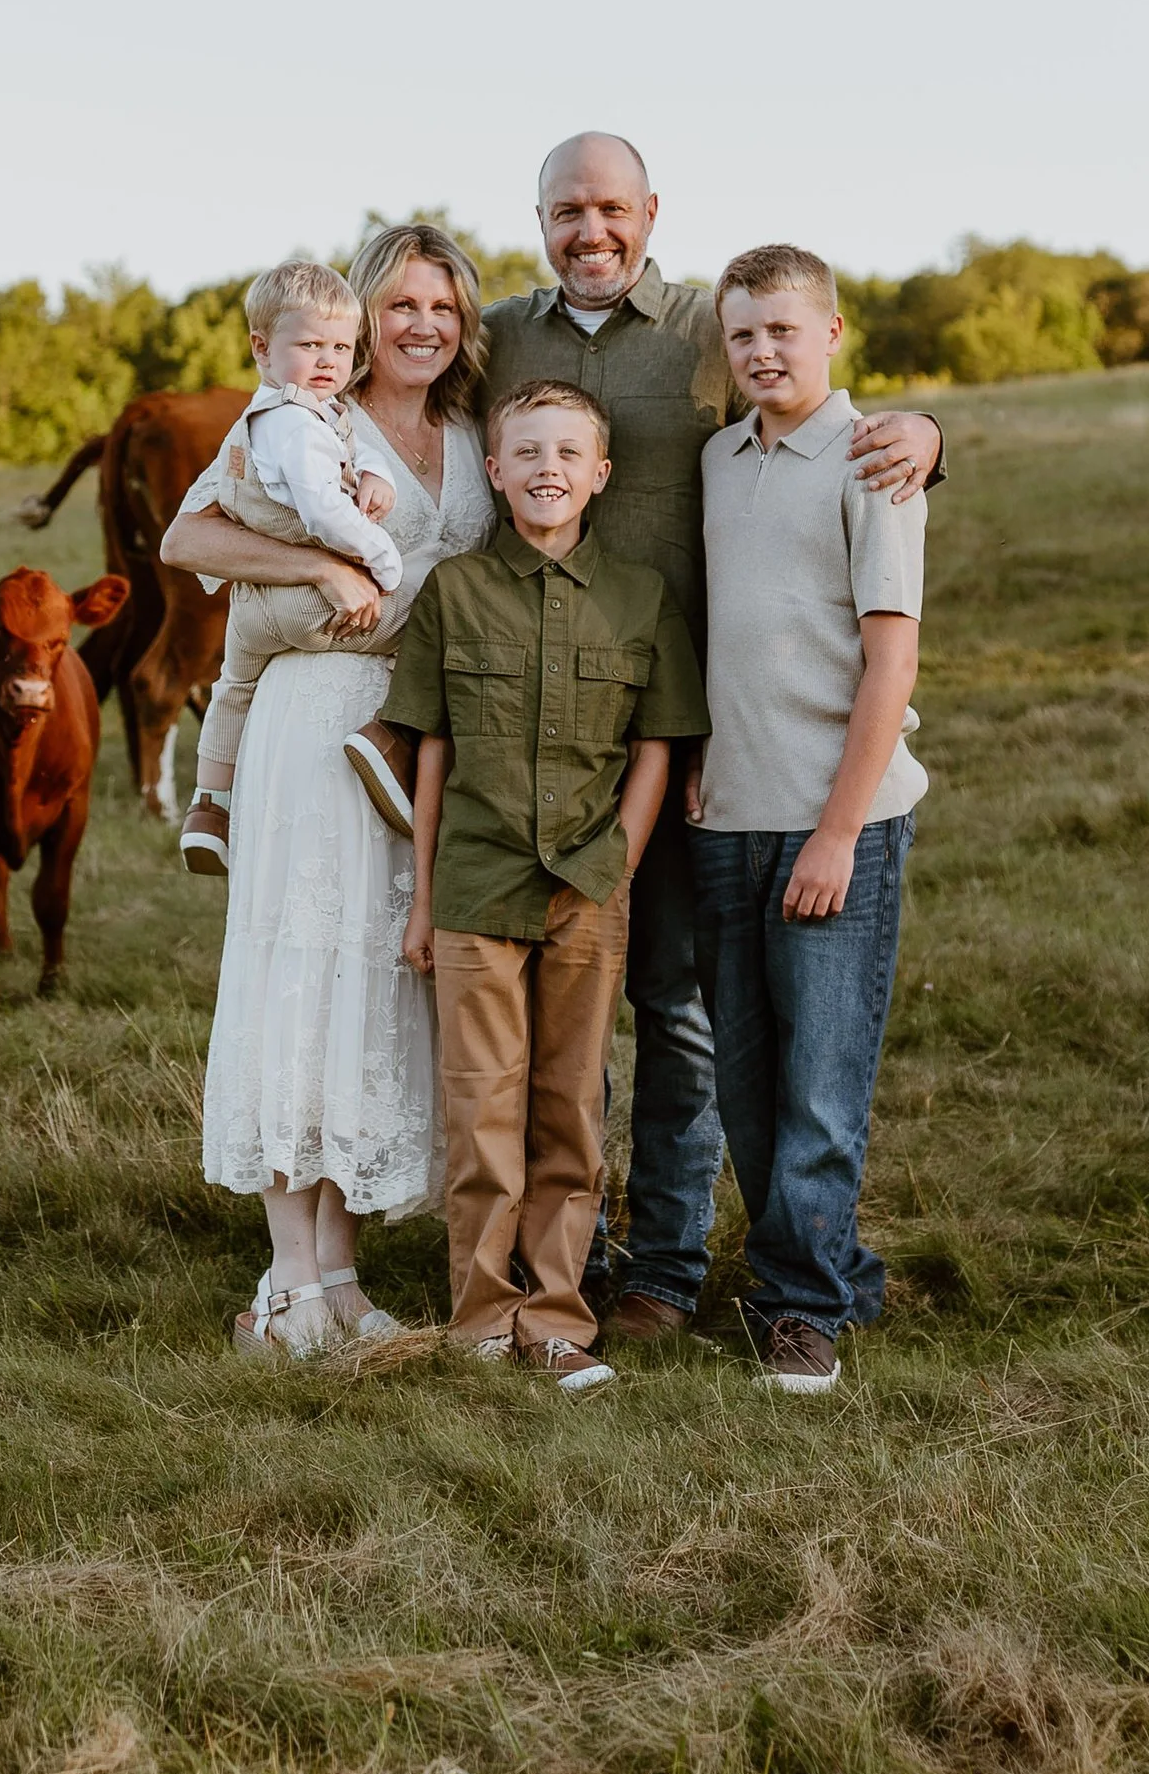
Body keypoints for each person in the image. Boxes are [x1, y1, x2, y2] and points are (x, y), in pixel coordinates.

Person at [170, 134, 942, 1343]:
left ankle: (666, 1268)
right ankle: (454, 1272)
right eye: (565, 210)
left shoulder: (703, 327)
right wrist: (317, 559)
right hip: (492, 728)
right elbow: (230, 508)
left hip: (674, 718)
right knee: (434, 995)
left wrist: (929, 435)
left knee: (672, 1008)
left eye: (610, 209)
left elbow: (802, 384)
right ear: (538, 220)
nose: (590, 231)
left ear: (648, 214)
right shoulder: (494, 347)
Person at [180, 223, 494, 1355]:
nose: (421, 326)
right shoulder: (306, 416)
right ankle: (287, 1285)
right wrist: (318, 562)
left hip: (414, 734)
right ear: (364, 316)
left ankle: (343, 1278)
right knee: (298, 973)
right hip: (314, 713)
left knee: (371, 984)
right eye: (401, 305)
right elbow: (186, 533)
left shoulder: (469, 432)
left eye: (443, 309)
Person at [388, 381, 709, 1390]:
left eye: (568, 454)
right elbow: (430, 751)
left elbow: (658, 745)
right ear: (495, 470)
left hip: (587, 891)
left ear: (600, 474)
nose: (547, 472)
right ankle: (482, 1318)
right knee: (480, 1110)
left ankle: (559, 1318)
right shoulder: (454, 594)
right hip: (477, 888)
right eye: (526, 454)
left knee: (568, 1107)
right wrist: (423, 902)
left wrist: (619, 856)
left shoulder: (639, 598)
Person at [686, 245, 927, 1397]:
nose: (761, 352)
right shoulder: (717, 461)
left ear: (830, 334)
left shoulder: (875, 460)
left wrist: (837, 833)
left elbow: (888, 662)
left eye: (783, 330)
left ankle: (801, 1311)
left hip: (837, 820)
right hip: (727, 817)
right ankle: (829, 1268)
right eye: (741, 335)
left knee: (821, 1084)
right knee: (746, 1084)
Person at [174, 263, 405, 879]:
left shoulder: (293, 411)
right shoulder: (293, 424)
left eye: (340, 347)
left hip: (252, 608)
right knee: (448, 603)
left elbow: (353, 444)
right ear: (261, 347)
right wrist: (382, 560)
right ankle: (397, 742)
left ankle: (210, 809)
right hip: (311, 600)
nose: (329, 360)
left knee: (233, 690)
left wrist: (377, 471)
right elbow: (325, 508)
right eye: (309, 346)